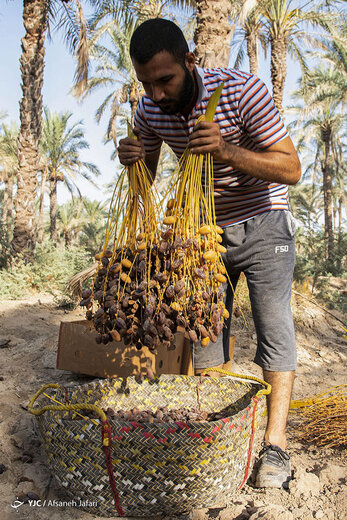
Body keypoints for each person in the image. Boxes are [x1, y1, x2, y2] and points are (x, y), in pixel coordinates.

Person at [118, 18, 301, 489]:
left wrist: (227, 150)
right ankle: (220, 433)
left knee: (273, 331)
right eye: (147, 84)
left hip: (263, 223)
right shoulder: (150, 110)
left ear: (190, 62)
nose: (156, 94)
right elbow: (149, 173)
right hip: (201, 233)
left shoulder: (243, 92)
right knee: (203, 337)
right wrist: (133, 159)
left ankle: (275, 446)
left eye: (166, 80)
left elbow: (291, 168)